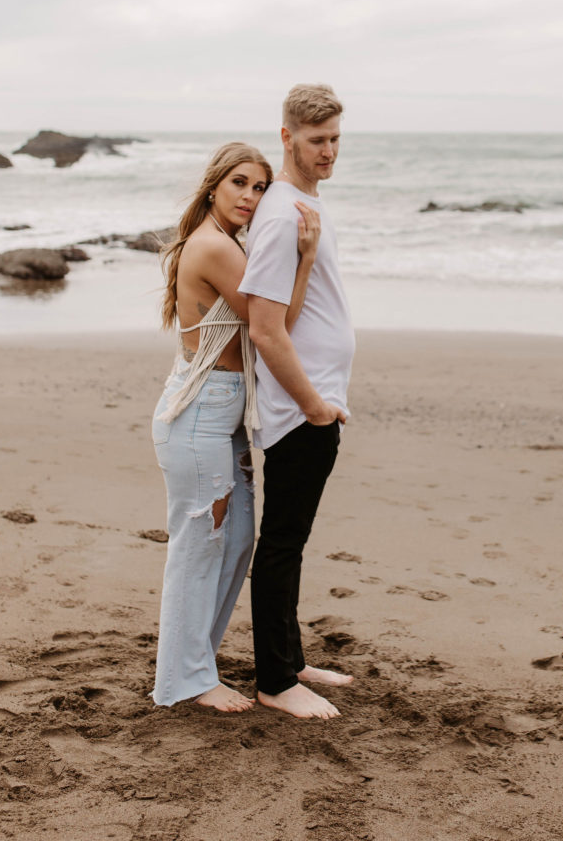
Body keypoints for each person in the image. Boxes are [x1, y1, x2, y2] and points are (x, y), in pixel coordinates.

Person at [151, 141, 320, 713]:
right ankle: (184, 680)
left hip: (220, 411)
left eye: (259, 187)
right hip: (199, 411)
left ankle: (198, 662)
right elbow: (279, 323)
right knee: (199, 546)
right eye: (240, 184)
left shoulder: (226, 243)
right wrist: (307, 258)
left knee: (237, 540)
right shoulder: (216, 248)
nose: (250, 196)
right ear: (214, 186)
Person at [239, 84, 356, 720]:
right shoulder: (284, 214)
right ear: (287, 138)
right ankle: (276, 680)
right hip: (298, 411)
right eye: (317, 141)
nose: (329, 151)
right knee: (283, 542)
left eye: (336, 139)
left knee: (293, 539)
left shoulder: (302, 205)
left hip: (312, 402)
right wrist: (314, 405)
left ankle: (291, 658)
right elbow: (264, 327)